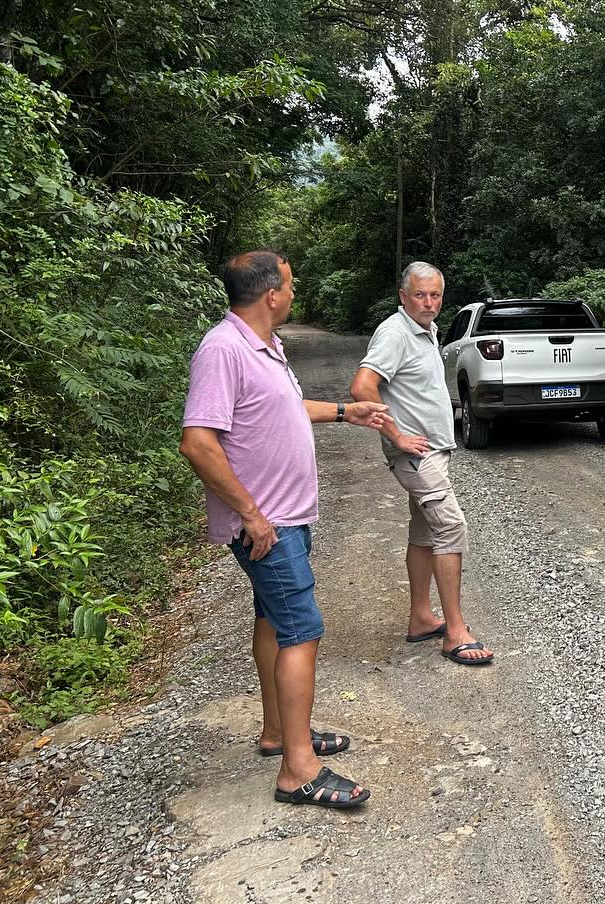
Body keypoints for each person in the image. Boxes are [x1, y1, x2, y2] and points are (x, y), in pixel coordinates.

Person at [180, 250, 388, 808]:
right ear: (271, 294)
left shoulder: (267, 346)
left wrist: (347, 412)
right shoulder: (223, 349)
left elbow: (284, 410)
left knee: (273, 620)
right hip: (267, 526)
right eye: (291, 285)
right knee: (302, 629)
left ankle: (280, 733)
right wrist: (250, 514)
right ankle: (299, 769)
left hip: (285, 519)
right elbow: (198, 442)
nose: (294, 293)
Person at [351, 261, 494, 666]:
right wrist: (396, 436)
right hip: (415, 456)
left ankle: (420, 617)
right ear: (403, 296)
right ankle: (454, 631)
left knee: (426, 531)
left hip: (430, 451)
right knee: (450, 526)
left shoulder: (425, 330)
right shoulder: (395, 333)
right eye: (420, 295)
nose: (428, 303)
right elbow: (362, 386)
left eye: (435, 295)